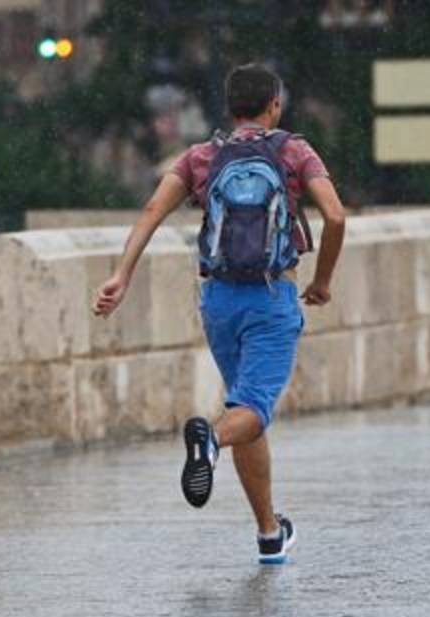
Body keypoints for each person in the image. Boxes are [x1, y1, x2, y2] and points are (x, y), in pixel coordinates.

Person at [93, 63, 347, 564]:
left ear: (230, 107)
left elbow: (151, 211)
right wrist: (321, 282)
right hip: (272, 296)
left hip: (218, 301)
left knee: (245, 408)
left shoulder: (202, 156)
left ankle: (269, 533)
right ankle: (208, 440)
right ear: (275, 105)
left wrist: (121, 276)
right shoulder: (293, 151)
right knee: (248, 411)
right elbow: (335, 215)